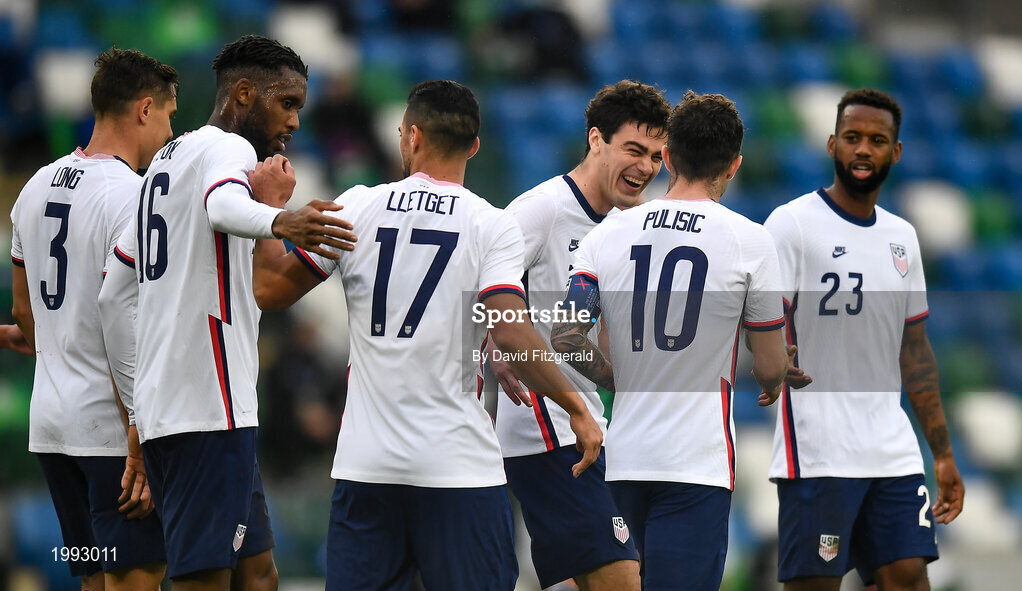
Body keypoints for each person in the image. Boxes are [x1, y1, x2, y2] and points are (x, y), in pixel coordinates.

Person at [247, 79, 604, 591]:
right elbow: (506, 323)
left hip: (367, 466)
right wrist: (574, 406)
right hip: (457, 467)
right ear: (475, 147)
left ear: (411, 136)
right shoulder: (490, 224)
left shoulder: (358, 206)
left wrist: (271, 209)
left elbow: (268, 288)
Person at [97, 35, 353, 591]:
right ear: (243, 93)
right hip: (207, 412)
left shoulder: (164, 164)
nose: (294, 122)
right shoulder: (226, 150)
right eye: (287, 104)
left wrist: (139, 409)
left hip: (189, 412)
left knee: (257, 573)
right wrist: (279, 220)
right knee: (205, 579)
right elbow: (223, 205)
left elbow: (113, 297)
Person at [550, 91, 791, 591]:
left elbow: (567, 333)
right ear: (734, 164)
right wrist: (775, 377)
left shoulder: (609, 233)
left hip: (624, 461)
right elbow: (769, 364)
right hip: (696, 465)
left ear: (671, 157)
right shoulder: (750, 239)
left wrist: (616, 376)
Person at [763, 88, 965, 591]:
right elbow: (758, 321)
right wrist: (769, 357)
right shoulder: (792, 225)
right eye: (852, 137)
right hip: (818, 451)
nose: (863, 149)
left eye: (877, 140)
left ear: (895, 152)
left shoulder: (902, 238)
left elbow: (914, 352)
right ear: (832, 143)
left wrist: (941, 453)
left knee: (910, 580)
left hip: (891, 451)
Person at [489, 79, 670, 591]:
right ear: (596, 140)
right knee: (620, 579)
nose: (646, 167)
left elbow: (572, 336)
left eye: (656, 156)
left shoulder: (627, 225)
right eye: (634, 150)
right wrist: (494, 340)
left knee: (576, 582)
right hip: (547, 426)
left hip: (587, 422)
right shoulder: (542, 209)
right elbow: (476, 282)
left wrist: (619, 374)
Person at [8, 47, 177, 591]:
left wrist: (50, 340)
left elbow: (22, 311)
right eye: (171, 116)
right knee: (138, 575)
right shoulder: (133, 196)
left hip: (52, 429)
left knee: (92, 576)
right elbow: (124, 322)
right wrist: (139, 430)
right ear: (145, 109)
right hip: (109, 433)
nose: (169, 134)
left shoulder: (35, 186)